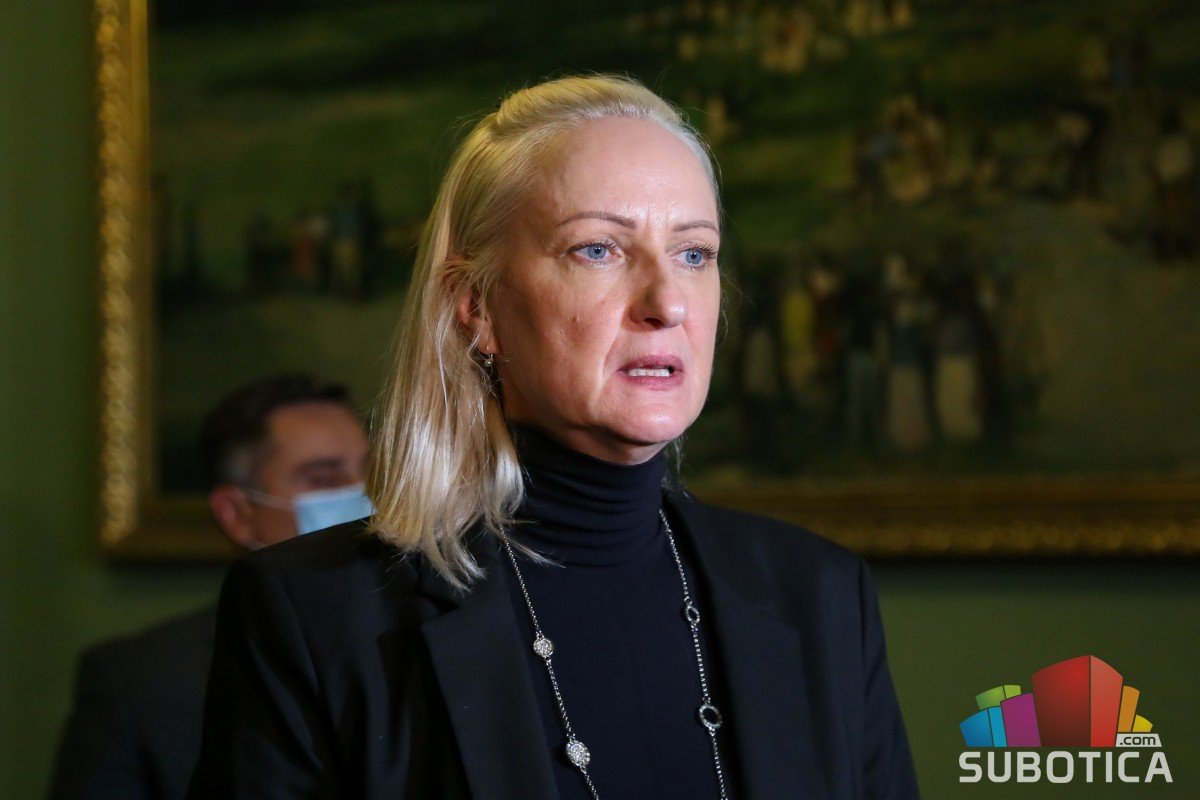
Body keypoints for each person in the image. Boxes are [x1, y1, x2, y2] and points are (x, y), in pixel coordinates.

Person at [188, 76, 919, 799]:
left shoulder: (821, 594)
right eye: (597, 249)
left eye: (694, 253)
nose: (667, 302)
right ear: (476, 305)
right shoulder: (315, 616)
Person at [50, 375, 370, 800]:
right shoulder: (139, 681)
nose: (365, 495)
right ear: (236, 514)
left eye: (374, 473)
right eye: (325, 480)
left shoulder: (434, 633)